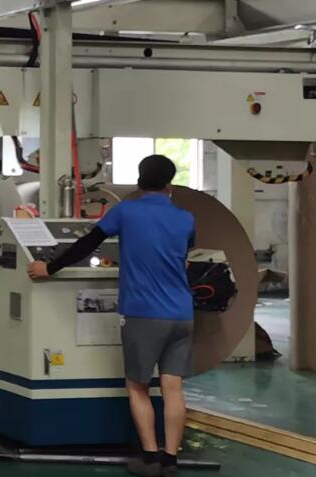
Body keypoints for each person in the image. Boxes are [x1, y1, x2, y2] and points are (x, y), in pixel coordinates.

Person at [27, 154, 195, 477]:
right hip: (182, 314)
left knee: (138, 386)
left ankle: (149, 458)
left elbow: (87, 244)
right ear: (170, 183)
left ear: (139, 181)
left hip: (143, 313)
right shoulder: (186, 218)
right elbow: (181, 255)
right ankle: (170, 460)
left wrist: (49, 267)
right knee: (173, 388)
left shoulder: (126, 211)